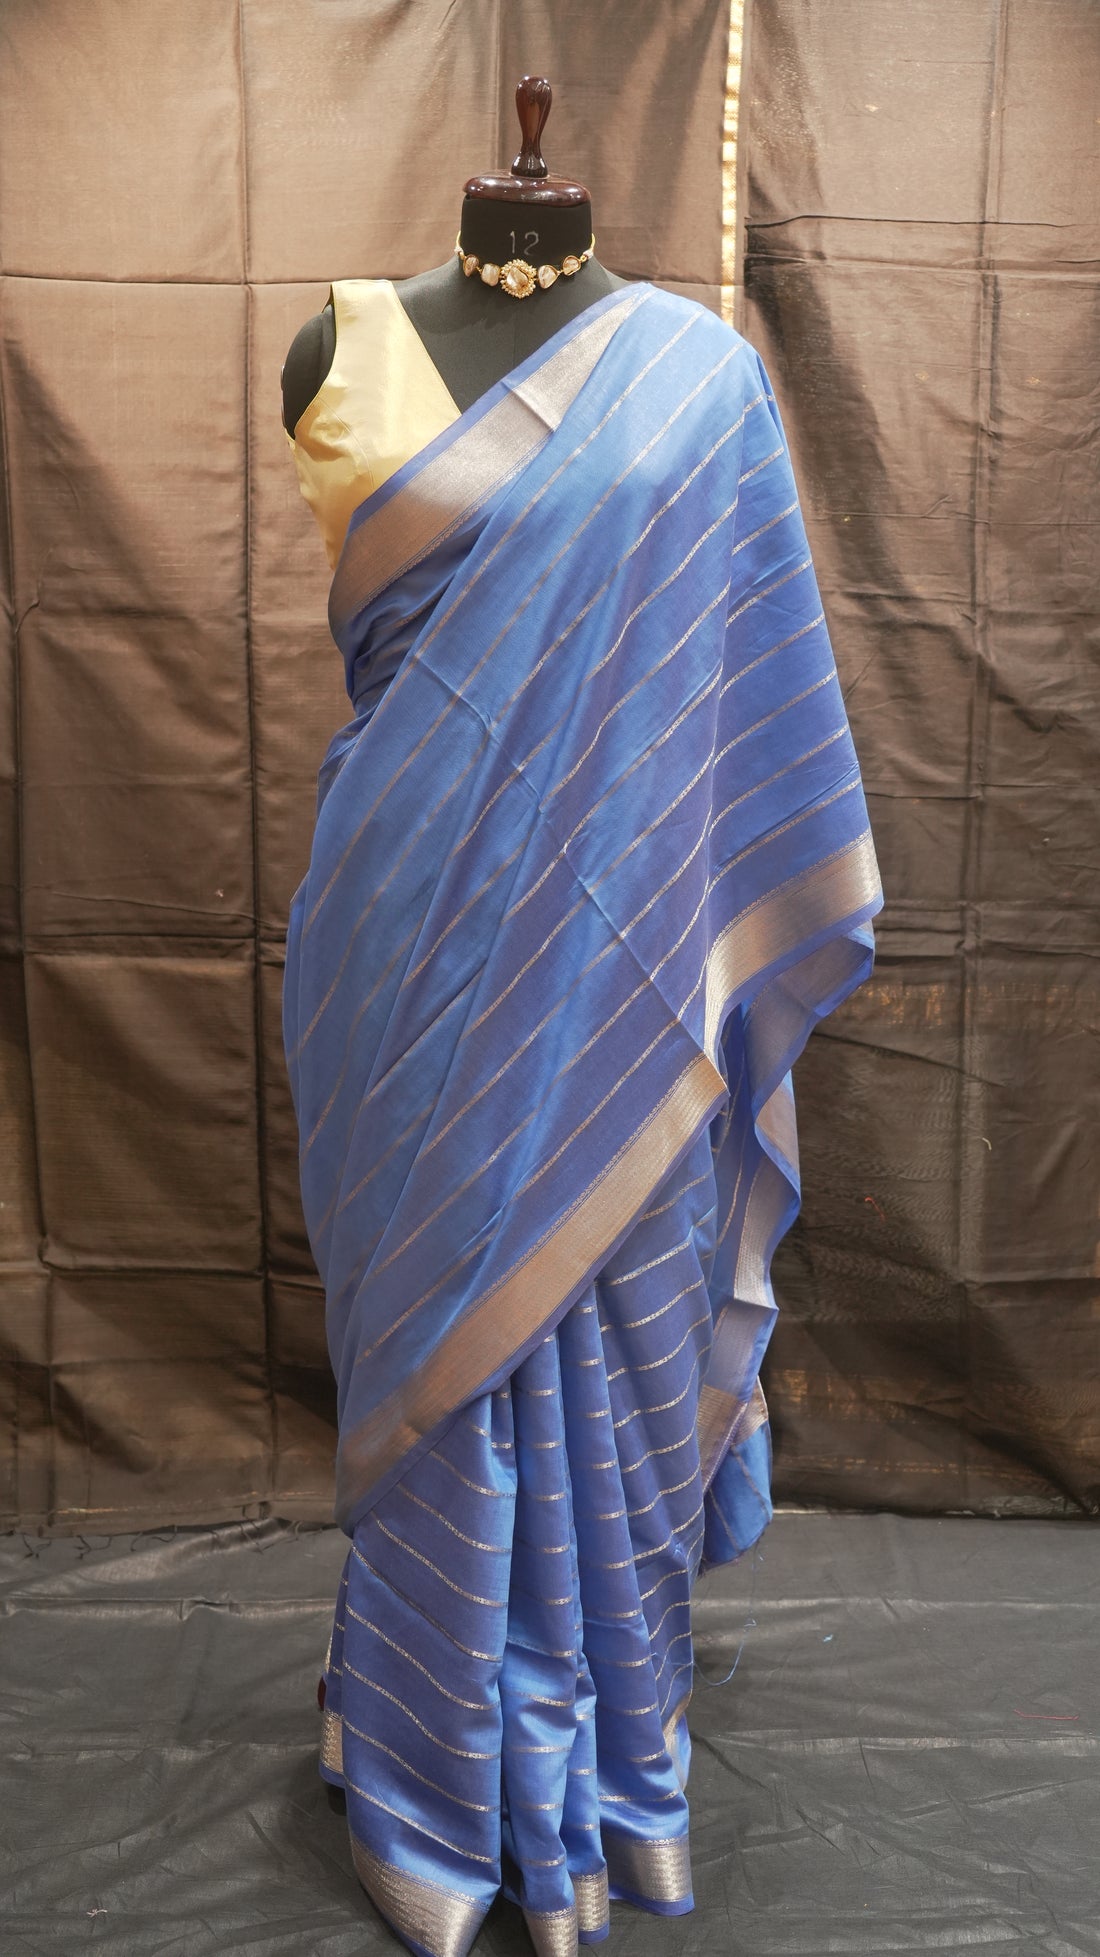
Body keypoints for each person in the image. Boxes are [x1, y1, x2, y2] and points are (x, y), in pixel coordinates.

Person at [281, 90, 882, 1957]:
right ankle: (439, 1759)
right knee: (438, 1347)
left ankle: (595, 1747)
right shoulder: (341, 343)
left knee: (600, 1334)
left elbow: (741, 710)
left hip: (620, 974)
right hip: (402, 942)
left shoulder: (698, 382)